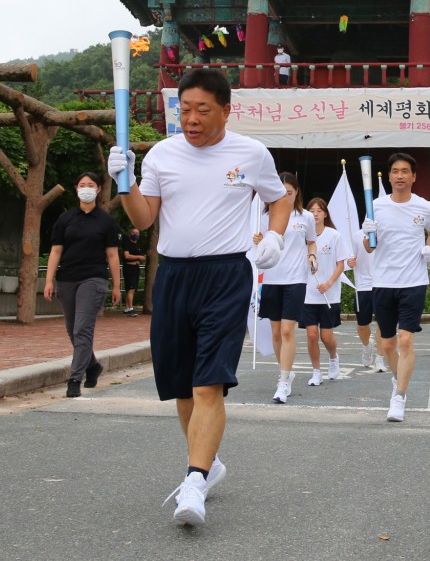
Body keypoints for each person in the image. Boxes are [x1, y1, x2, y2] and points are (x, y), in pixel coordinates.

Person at [108, 68, 291, 526]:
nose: (191, 118)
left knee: (208, 382)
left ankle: (194, 481)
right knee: (181, 386)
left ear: (226, 111)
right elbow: (144, 219)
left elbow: (280, 198)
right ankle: (207, 465)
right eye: (184, 109)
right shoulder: (162, 156)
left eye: (201, 110)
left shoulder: (251, 153)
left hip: (226, 275)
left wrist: (275, 236)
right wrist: (124, 182)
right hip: (172, 276)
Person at [361, 153, 430, 422]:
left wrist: (429, 247)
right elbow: (369, 246)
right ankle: (398, 380)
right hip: (383, 282)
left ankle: (399, 397)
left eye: (405, 171)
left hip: (413, 282)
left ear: (413, 176)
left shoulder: (425, 207)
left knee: (405, 340)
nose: (399, 176)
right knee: (387, 345)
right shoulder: (376, 206)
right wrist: (367, 232)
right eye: (395, 171)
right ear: (390, 175)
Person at [43, 172, 122, 398]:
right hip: (67, 278)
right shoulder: (65, 219)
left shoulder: (106, 221)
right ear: (76, 189)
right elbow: (56, 250)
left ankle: (74, 378)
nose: (86, 188)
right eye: (81, 185)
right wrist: (49, 280)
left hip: (93, 279)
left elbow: (113, 255)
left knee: (82, 329)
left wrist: (116, 285)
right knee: (72, 330)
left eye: (90, 185)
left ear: (98, 189)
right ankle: (93, 365)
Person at [254, 173, 317, 403]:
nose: (285, 197)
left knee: (288, 331)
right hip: (271, 278)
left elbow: (311, 241)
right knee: (275, 332)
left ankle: (282, 382)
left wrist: (312, 257)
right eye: (280, 193)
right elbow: (260, 246)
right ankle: (286, 372)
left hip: (295, 278)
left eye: (289, 193)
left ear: (296, 192)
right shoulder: (264, 217)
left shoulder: (306, 217)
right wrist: (256, 241)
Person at [301, 197, 349, 386]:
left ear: (325, 214)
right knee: (312, 334)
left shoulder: (334, 235)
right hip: (307, 293)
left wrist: (328, 283)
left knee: (326, 336)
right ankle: (316, 371)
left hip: (328, 293)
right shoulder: (302, 236)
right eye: (311, 211)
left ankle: (333, 358)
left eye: (319, 211)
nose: (315, 214)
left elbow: (340, 264)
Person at [347, 229, 386, 371]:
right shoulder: (357, 235)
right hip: (362, 285)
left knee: (383, 323)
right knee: (362, 324)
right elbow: (349, 259)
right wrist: (350, 262)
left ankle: (380, 359)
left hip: (383, 283)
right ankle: (367, 346)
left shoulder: (385, 231)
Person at [121, 227, 146, 315]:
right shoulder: (127, 243)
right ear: (130, 234)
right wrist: (138, 257)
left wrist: (142, 258)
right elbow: (127, 256)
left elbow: (142, 257)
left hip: (136, 268)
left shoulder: (138, 245)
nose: (135, 234)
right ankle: (131, 308)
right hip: (128, 268)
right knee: (130, 288)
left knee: (132, 289)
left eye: (137, 233)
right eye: (134, 233)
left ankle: (127, 308)